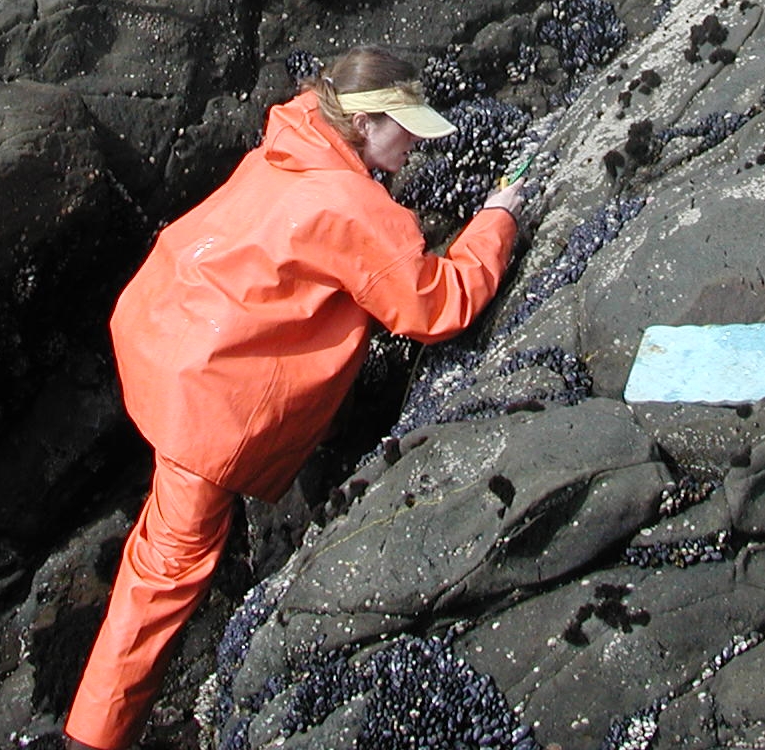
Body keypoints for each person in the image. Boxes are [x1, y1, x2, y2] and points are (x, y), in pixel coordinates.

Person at [63, 47, 523, 750]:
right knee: (167, 571)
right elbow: (439, 303)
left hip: (160, 336)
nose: (417, 143)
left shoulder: (292, 142)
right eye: (407, 127)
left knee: (163, 539)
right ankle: (93, 736)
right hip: (203, 397)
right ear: (366, 123)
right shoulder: (352, 206)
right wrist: (497, 221)